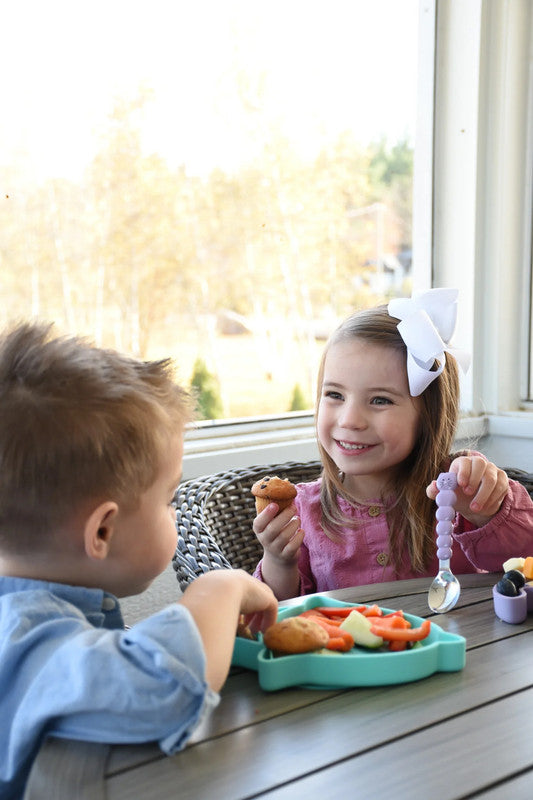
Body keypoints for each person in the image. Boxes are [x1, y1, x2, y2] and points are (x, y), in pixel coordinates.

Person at [0, 322, 277, 800]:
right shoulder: (27, 638)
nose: (175, 509)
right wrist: (218, 588)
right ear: (102, 531)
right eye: (169, 499)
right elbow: (164, 688)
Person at [253, 288, 533, 600]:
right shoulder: (303, 512)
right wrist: (279, 560)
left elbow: (525, 556)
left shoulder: (462, 486)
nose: (349, 420)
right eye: (335, 395)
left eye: (379, 400)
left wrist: (487, 510)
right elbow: (274, 612)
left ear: (427, 416)